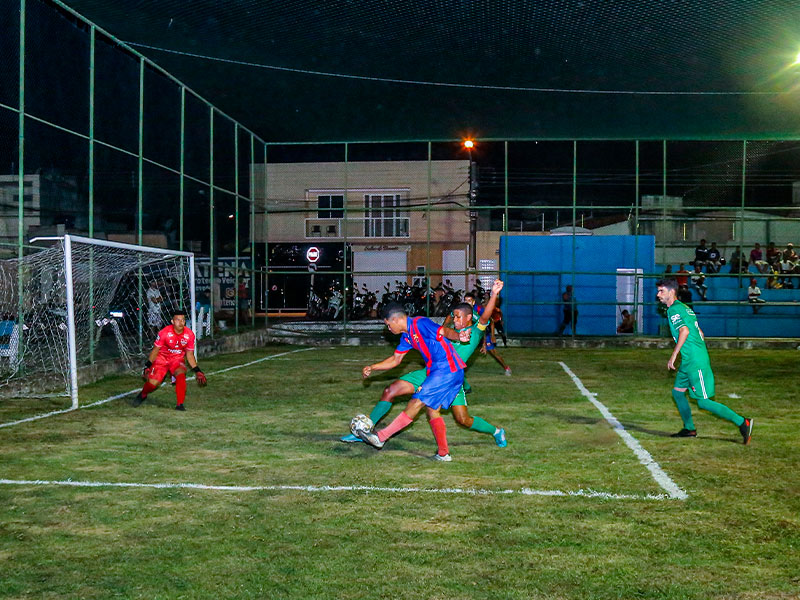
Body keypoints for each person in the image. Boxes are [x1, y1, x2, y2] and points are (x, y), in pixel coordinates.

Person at [343, 280, 507, 452]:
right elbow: (401, 355)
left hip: (451, 376)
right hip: (432, 372)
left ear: (468, 318)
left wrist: (495, 293)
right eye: (454, 316)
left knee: (462, 419)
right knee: (391, 391)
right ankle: (365, 431)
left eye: (459, 316)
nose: (455, 319)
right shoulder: (428, 332)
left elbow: (485, 316)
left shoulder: (474, 332)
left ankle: (496, 431)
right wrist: (373, 367)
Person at [354, 303, 471, 461]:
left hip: (447, 369)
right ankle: (443, 454)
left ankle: (381, 437)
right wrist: (373, 367)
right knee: (432, 410)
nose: (388, 329)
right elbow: (396, 359)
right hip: (438, 371)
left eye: (388, 325)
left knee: (416, 401)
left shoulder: (420, 323)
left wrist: (459, 336)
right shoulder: (407, 336)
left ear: (395, 320)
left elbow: (443, 331)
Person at [655, 279, 753, 444]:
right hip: (689, 361)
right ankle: (689, 428)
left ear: (671, 292)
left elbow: (685, 331)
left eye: (661, 291)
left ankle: (743, 422)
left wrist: (674, 355)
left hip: (694, 361)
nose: (658, 295)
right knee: (678, 393)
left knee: (704, 402)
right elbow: (699, 331)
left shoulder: (673, 310)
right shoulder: (685, 308)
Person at [131, 309, 207, 410]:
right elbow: (155, 350)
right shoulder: (164, 332)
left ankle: (180, 405)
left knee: (180, 375)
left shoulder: (189, 335)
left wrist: (198, 370)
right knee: (153, 384)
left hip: (177, 360)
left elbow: (189, 354)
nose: (181, 322)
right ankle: (143, 394)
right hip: (161, 359)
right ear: (172, 321)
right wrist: (147, 365)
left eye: (183, 320)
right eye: (178, 320)